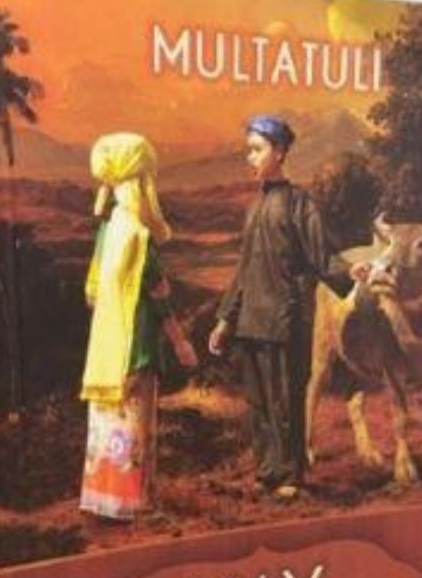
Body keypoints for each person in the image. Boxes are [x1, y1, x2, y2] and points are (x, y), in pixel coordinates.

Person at [208, 115, 352, 500]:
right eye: (249, 150)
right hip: (250, 322)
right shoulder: (254, 206)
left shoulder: (299, 203)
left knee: (285, 400)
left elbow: (323, 258)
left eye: (257, 150)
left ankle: (290, 475)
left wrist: (354, 273)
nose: (250, 158)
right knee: (259, 404)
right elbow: (244, 270)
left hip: (286, 321)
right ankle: (267, 471)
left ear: (281, 152)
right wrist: (224, 320)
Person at [80, 132, 197, 520]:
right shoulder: (139, 236)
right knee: (135, 424)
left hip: (106, 349)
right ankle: (134, 503)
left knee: (109, 424)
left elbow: (92, 294)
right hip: (138, 346)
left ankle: (103, 499)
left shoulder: (106, 230)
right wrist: (180, 343)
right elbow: (160, 297)